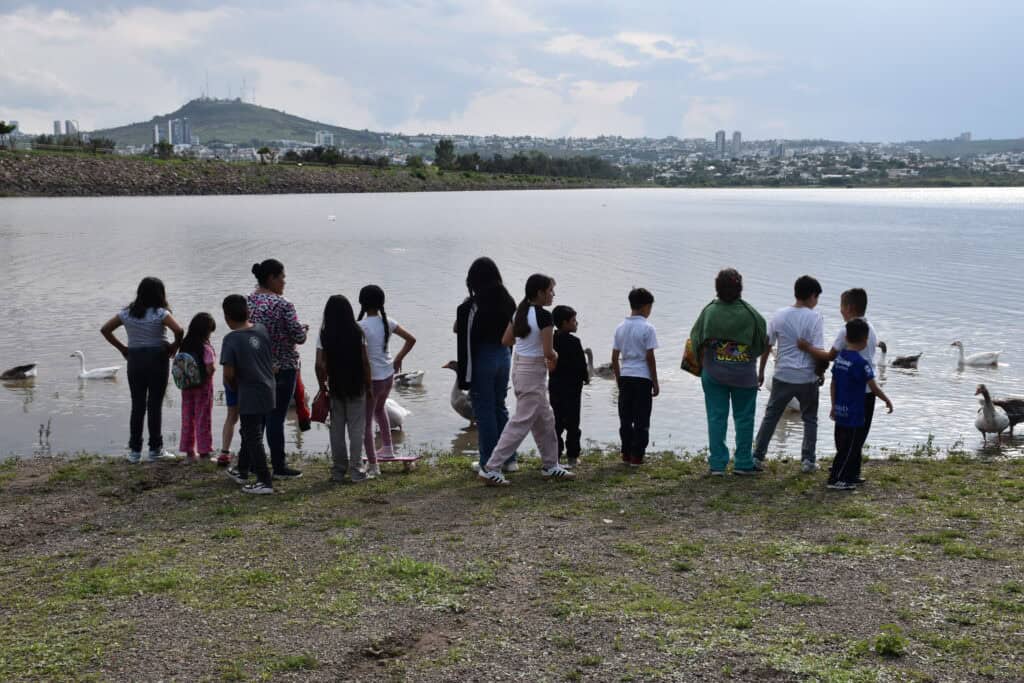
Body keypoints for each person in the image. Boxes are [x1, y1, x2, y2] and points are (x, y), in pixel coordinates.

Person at [479, 274, 575, 485]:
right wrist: (554, 357)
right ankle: (491, 467)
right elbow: (549, 353)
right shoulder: (544, 317)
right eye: (550, 290)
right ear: (540, 292)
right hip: (532, 373)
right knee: (520, 423)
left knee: (546, 420)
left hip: (520, 368)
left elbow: (506, 341)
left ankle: (551, 465)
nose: (553, 294)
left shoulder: (520, 313)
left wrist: (528, 349)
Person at [797, 288, 882, 484]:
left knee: (845, 434)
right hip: (868, 390)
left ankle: (841, 472)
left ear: (849, 308)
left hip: (852, 392)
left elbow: (830, 356)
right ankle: (852, 470)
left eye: (842, 306)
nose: (840, 310)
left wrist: (807, 347)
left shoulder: (846, 330)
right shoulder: (871, 327)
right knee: (859, 434)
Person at [688, 269, 767, 476]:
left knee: (716, 418)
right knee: (744, 419)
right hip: (744, 376)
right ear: (740, 288)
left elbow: (695, 339)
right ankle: (742, 462)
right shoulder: (751, 314)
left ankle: (717, 464)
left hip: (714, 374)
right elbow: (760, 344)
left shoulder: (709, 312)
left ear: (717, 288)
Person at [101, 276, 184, 463]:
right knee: (154, 404)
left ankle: (135, 452)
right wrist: (174, 346)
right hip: (157, 359)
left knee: (137, 405)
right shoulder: (161, 314)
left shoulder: (127, 313)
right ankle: (155, 449)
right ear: (160, 294)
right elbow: (179, 330)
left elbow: (105, 329)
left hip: (136, 360)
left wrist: (123, 348)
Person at [753, 275, 825, 473]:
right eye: (817, 297)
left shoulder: (779, 315)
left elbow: (768, 346)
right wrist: (821, 372)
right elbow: (819, 350)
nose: (816, 302)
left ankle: (757, 457)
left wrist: (760, 371)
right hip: (807, 377)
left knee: (771, 415)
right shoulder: (815, 317)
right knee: (810, 417)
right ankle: (808, 461)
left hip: (782, 375)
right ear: (812, 296)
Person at [454, 257, 519, 473]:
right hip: (504, 356)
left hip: (483, 358)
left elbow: (463, 338)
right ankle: (509, 459)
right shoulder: (508, 301)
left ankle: (489, 463)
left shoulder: (472, 306)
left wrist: (464, 376)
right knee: (500, 406)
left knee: (484, 411)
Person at [247, 259, 307, 479]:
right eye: (282, 278)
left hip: (257, 366)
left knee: (259, 417)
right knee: (276, 417)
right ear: (271, 278)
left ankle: (255, 463)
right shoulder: (283, 304)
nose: (284, 282)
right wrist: (304, 330)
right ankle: (279, 467)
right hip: (283, 367)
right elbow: (298, 336)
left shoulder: (248, 302)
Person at [826, 318, 893, 490]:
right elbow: (873, 387)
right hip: (855, 412)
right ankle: (837, 479)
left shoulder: (840, 358)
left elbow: (833, 383)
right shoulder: (862, 364)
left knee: (842, 445)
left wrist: (833, 405)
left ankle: (843, 475)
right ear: (865, 341)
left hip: (840, 409)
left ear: (846, 338)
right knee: (851, 446)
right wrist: (886, 399)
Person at [358, 284, 416, 474]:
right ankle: (388, 449)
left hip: (372, 379)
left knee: (366, 421)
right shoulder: (388, 322)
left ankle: (373, 465)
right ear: (382, 302)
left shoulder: (361, 326)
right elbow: (411, 339)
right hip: (388, 376)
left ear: (361, 303)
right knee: (379, 409)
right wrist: (399, 358)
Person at [220, 295, 275, 494]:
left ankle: (264, 481)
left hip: (250, 392)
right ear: (248, 312)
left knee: (253, 436)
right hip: (268, 389)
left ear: (226, 317)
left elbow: (229, 374)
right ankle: (242, 471)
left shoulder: (231, 339)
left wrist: (235, 388)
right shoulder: (261, 329)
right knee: (250, 432)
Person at [315, 295, 372, 483]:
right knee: (357, 429)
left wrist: (322, 385)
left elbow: (319, 364)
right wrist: (369, 385)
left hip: (336, 386)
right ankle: (356, 471)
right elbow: (365, 362)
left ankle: (338, 471)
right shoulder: (358, 331)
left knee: (336, 429)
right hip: (356, 385)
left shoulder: (324, 333)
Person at [612, 288, 659, 467]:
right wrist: (654, 381)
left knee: (625, 417)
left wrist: (619, 379)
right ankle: (637, 456)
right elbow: (650, 357)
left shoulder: (620, 327)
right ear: (645, 307)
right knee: (641, 418)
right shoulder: (648, 328)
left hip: (626, 376)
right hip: (642, 377)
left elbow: (614, 358)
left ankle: (625, 452)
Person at [549, 305, 589, 468]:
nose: (576, 323)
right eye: (573, 320)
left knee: (556, 422)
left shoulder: (551, 340)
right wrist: (585, 378)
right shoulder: (574, 342)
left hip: (556, 386)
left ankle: (555, 454)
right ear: (565, 323)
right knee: (573, 422)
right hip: (573, 388)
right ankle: (572, 455)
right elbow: (581, 365)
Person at [177, 312, 217, 462]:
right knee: (203, 418)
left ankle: (189, 453)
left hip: (186, 387)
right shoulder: (205, 348)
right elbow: (210, 368)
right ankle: (204, 452)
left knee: (187, 418)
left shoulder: (184, 345)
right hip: (203, 387)